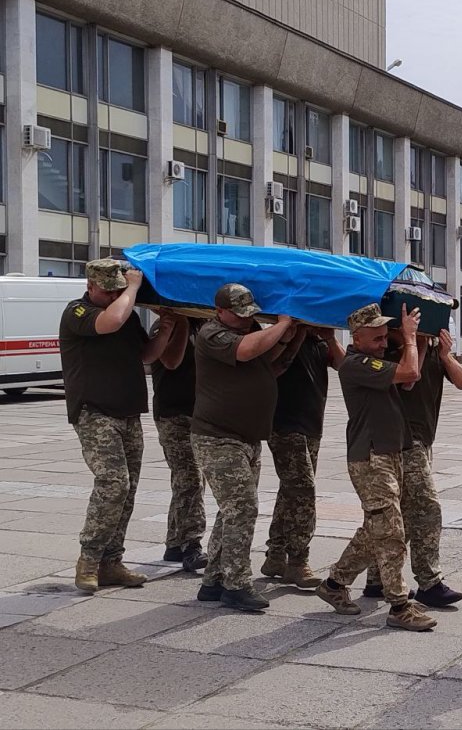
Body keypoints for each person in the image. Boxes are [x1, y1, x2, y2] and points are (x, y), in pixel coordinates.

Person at [315, 303, 437, 632]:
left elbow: (409, 380)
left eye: (386, 336)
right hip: (371, 458)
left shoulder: (375, 362)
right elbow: (409, 374)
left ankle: (334, 584)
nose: (384, 343)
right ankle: (399, 605)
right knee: (392, 531)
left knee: (376, 528)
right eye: (378, 338)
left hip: (390, 452)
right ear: (357, 338)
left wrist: (419, 343)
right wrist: (408, 337)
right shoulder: (356, 364)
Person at [60, 258, 180, 593]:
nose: (114, 296)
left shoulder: (126, 316)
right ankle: (89, 559)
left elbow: (147, 356)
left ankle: (111, 561)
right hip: (94, 411)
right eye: (108, 291)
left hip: (129, 412)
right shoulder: (78, 312)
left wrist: (166, 328)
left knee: (128, 490)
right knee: (113, 483)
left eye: (118, 291)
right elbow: (110, 322)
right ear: (90, 286)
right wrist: (133, 287)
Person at [190, 283, 295, 612]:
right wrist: (283, 324)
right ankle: (236, 585)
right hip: (218, 437)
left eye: (249, 314)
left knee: (231, 511)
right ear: (219, 311)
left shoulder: (249, 329)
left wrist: (289, 335)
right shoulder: (211, 333)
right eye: (238, 315)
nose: (245, 319)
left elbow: (267, 358)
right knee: (243, 508)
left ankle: (214, 580)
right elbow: (247, 351)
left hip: (246, 437)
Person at [362, 325, 462, 607]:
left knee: (400, 513)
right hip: (404, 439)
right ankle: (429, 582)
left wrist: (445, 355)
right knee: (427, 508)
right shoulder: (391, 346)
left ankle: (377, 578)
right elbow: (410, 378)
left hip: (423, 438)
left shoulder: (433, 348)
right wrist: (415, 341)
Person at [261, 326, 345, 589]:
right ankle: (298, 561)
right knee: (303, 491)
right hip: (284, 425)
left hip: (311, 425)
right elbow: (274, 366)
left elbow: (344, 367)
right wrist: (297, 330)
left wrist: (330, 337)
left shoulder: (320, 341)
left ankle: (275, 555)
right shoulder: (282, 337)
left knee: (291, 491)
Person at [151, 315, 208, 573]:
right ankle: (191, 545)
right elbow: (171, 361)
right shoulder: (167, 325)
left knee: (187, 480)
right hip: (173, 414)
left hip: (199, 414)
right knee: (190, 478)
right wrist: (182, 322)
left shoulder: (205, 327)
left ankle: (175, 542)